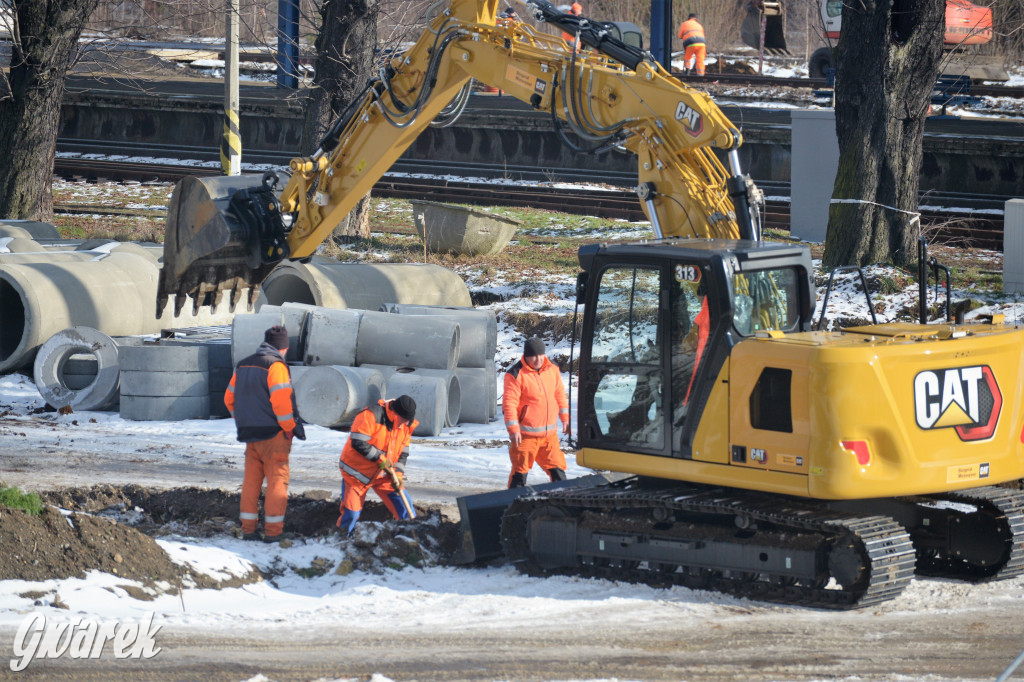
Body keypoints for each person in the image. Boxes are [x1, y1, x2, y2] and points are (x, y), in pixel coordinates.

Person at [225, 325, 304, 542]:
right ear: (283, 348)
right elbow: (281, 404)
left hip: (251, 435)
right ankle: (273, 532)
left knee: (251, 482)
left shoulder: (243, 364)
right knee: (277, 481)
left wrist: (244, 419)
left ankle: (248, 530)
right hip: (274, 435)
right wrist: (289, 429)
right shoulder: (276, 366)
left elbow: (228, 400)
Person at [337, 395, 419, 536]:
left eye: (408, 421)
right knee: (352, 513)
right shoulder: (370, 415)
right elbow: (358, 442)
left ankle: (410, 539)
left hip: (384, 475)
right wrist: (381, 460)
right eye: (403, 420)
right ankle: (342, 542)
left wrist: (398, 475)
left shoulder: (405, 426)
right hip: (357, 475)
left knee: (405, 507)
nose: (405, 424)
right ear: (394, 413)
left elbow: (403, 454)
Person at [502, 337, 571, 488]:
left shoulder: (552, 368)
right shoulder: (515, 374)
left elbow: (559, 394)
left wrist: (565, 418)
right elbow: (509, 404)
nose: (538, 359)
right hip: (525, 437)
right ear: (526, 356)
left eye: (541, 355)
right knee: (519, 474)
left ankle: (562, 504)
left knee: (559, 471)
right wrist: (513, 430)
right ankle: (513, 505)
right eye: (533, 355)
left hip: (549, 437)